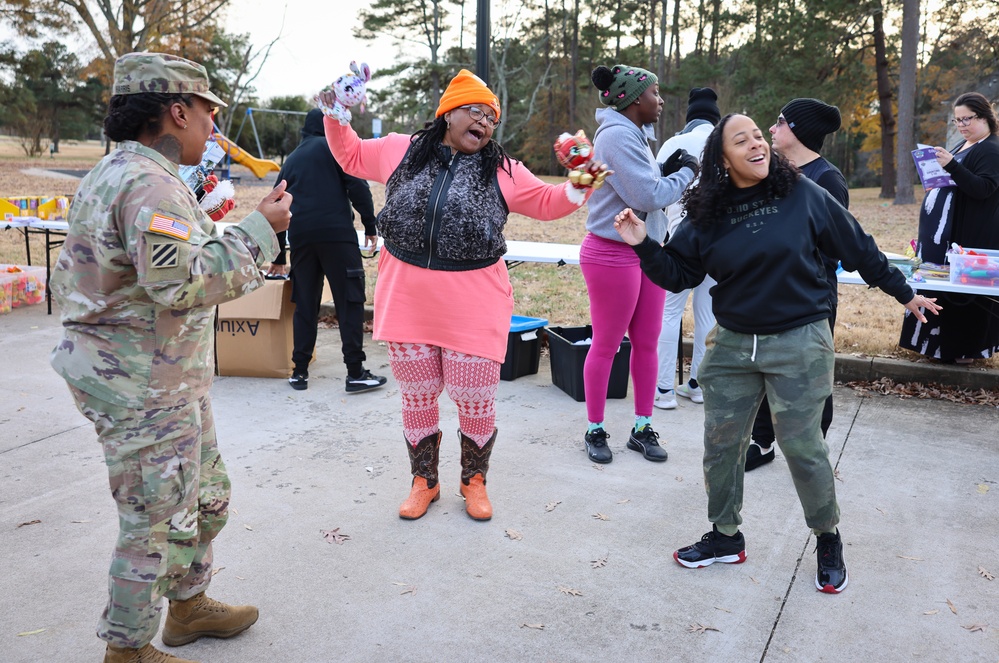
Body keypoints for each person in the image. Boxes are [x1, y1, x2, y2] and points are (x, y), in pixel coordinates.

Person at [613, 113, 940, 594]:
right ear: (722, 159)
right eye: (740, 140)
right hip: (732, 344)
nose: (756, 144)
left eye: (759, 137)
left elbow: (858, 246)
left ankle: (828, 537)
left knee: (803, 448)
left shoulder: (803, 194)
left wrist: (904, 293)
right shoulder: (709, 212)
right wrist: (643, 246)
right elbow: (679, 272)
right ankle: (726, 536)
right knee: (721, 446)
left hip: (799, 340)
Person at [49, 53, 292, 663]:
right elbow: (180, 283)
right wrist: (259, 231)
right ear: (177, 111)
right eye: (209, 113)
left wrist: (225, 228)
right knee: (154, 519)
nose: (214, 127)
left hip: (163, 377)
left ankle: (188, 606)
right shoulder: (148, 182)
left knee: (206, 492)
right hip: (138, 385)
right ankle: (127, 651)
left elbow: (159, 264)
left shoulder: (122, 172)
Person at [317, 68, 608, 521]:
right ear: (448, 113)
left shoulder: (503, 169)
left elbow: (548, 204)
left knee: (475, 401)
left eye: (492, 117)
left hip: (475, 304)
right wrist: (336, 112)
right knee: (416, 397)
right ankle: (424, 481)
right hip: (407, 299)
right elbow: (350, 155)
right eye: (476, 111)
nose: (485, 122)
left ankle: (473, 482)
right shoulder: (403, 150)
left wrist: (579, 183)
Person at [581, 64, 698, 465]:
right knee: (608, 345)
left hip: (646, 249)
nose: (661, 100)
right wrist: (684, 173)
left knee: (646, 343)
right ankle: (595, 428)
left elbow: (635, 187)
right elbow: (648, 197)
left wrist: (663, 171)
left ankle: (642, 426)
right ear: (632, 99)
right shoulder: (616, 135)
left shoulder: (632, 134)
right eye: (654, 93)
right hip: (612, 252)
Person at [746, 97, 849, 471]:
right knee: (763, 369)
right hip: (767, 292)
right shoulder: (771, 170)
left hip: (810, 297)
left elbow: (837, 245)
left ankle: (812, 450)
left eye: (779, 122)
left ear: (798, 131)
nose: (771, 129)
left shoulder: (827, 179)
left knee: (811, 376)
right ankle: (762, 442)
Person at [267, 108, 387, 393]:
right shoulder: (337, 149)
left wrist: (279, 257)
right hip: (337, 237)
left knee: (305, 304)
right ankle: (355, 372)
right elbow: (358, 187)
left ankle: (299, 372)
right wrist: (370, 225)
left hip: (301, 240)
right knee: (349, 302)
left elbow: (276, 205)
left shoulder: (292, 160)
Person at [899, 91, 999, 363]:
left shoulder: (990, 148)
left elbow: (984, 188)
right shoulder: (963, 145)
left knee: (961, 296)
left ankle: (960, 351)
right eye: (957, 120)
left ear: (986, 117)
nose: (962, 125)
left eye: (968, 119)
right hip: (941, 237)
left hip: (968, 236)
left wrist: (952, 166)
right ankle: (935, 347)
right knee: (941, 288)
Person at [654, 87, 720, 412]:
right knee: (707, 314)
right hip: (719, 241)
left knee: (669, 313)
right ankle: (698, 386)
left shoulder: (674, 143)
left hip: (678, 238)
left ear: (690, 117)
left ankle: (664, 389)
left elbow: (654, 190)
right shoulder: (728, 144)